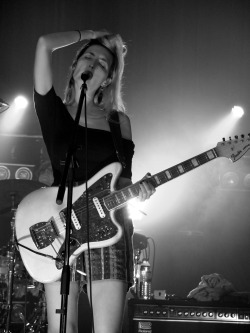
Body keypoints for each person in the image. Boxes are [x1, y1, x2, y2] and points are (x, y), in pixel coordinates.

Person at [33, 29, 155, 333]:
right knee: (62, 327)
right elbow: (44, 44)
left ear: (109, 77)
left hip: (110, 228)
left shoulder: (119, 122)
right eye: (89, 56)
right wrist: (90, 35)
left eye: (103, 62)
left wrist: (140, 190)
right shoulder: (55, 112)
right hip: (61, 226)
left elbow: (122, 180)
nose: (94, 62)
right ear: (75, 66)